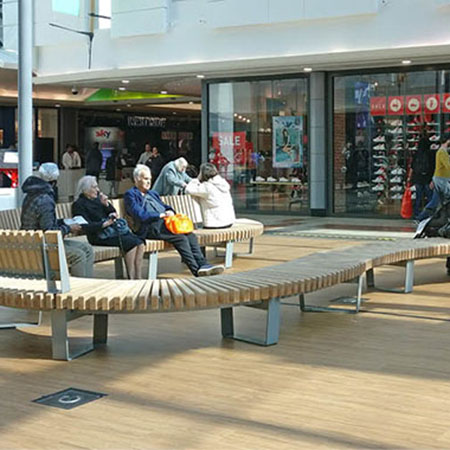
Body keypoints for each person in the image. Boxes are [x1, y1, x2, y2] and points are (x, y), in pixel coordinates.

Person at [124, 165, 224, 277]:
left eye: (150, 179)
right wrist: (160, 215)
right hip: (150, 227)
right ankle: (196, 270)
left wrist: (170, 211)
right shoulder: (131, 195)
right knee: (180, 238)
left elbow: (165, 206)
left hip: (165, 224)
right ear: (137, 179)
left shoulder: (152, 193)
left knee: (190, 235)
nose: (149, 182)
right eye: (146, 179)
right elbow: (139, 214)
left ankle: (204, 265)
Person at [20, 162, 94, 278]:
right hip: (41, 246)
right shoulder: (45, 199)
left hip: (32, 241)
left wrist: (63, 222)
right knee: (79, 255)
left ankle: (88, 285)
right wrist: (69, 228)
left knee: (87, 248)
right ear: (54, 181)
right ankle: (78, 290)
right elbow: (49, 231)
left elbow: (43, 223)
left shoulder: (31, 194)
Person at [72, 176, 145, 279]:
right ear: (85, 189)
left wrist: (106, 204)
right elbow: (84, 226)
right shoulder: (79, 204)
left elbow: (113, 212)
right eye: (94, 187)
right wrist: (104, 224)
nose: (97, 190)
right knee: (132, 243)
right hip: (98, 235)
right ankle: (131, 278)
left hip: (111, 232)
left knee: (140, 242)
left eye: (97, 187)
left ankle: (138, 276)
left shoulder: (98, 200)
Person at [185, 163, 235, 229]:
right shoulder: (222, 183)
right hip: (229, 221)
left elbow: (188, 190)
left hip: (215, 223)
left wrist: (196, 180)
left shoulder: (207, 187)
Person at [418, 134, 450, 220]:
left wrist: (433, 179)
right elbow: (448, 166)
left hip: (441, 179)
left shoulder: (442, 151)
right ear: (448, 141)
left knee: (436, 200)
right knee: (436, 201)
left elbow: (438, 167)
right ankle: (422, 217)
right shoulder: (442, 152)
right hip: (442, 180)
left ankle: (423, 217)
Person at [411, 131, 433, 219]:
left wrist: (410, 178)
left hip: (418, 177)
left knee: (418, 196)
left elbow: (412, 166)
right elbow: (432, 167)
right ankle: (429, 213)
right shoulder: (431, 154)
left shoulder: (416, 154)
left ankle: (417, 214)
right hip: (427, 177)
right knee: (429, 197)